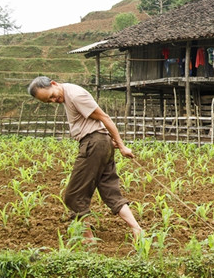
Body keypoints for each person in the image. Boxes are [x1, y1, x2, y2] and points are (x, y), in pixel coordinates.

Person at [27, 76, 142, 243]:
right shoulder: (68, 94)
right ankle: (137, 229)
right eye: (49, 101)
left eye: (52, 95)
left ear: (54, 83)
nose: (54, 100)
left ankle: (88, 238)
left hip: (93, 144)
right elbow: (94, 122)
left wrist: (122, 146)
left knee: (73, 196)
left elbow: (104, 117)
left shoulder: (75, 95)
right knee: (110, 190)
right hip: (100, 142)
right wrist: (108, 142)